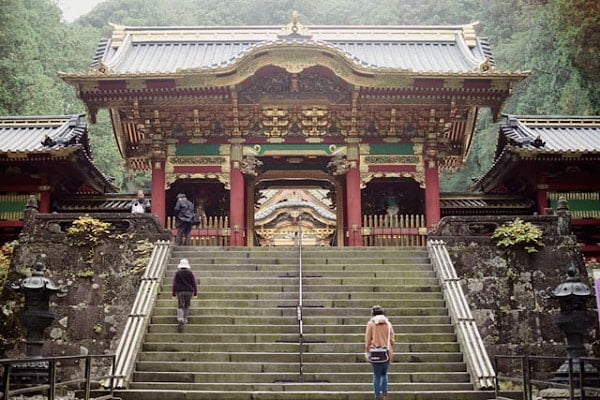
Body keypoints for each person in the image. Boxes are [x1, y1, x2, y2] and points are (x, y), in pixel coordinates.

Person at [365, 305, 395, 400]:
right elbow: (392, 340)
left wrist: (367, 351)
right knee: (384, 374)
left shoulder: (371, 323)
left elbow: (368, 339)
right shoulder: (388, 324)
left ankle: (377, 396)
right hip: (386, 352)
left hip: (375, 352)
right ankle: (385, 395)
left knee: (376, 375)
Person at [172, 258, 198, 331]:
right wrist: (195, 293)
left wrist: (173, 293)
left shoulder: (177, 273)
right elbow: (194, 283)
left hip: (180, 291)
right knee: (187, 305)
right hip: (189, 291)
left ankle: (180, 318)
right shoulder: (190, 273)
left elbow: (175, 283)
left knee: (180, 305)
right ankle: (185, 319)